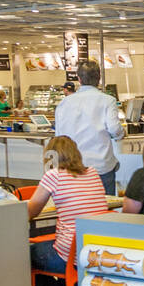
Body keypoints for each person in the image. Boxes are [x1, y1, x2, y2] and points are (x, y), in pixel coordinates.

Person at [25, 136, 110, 286]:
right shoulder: (93, 173)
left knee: (28, 257)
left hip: (70, 253)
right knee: (52, 249)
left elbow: (32, 210)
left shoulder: (53, 175)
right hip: (95, 250)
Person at [52, 60, 123, 195]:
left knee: (76, 206)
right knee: (103, 208)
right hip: (101, 167)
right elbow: (114, 129)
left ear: (79, 79)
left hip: (72, 167)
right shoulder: (108, 100)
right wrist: (120, 134)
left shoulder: (64, 103)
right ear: (99, 78)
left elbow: (58, 136)